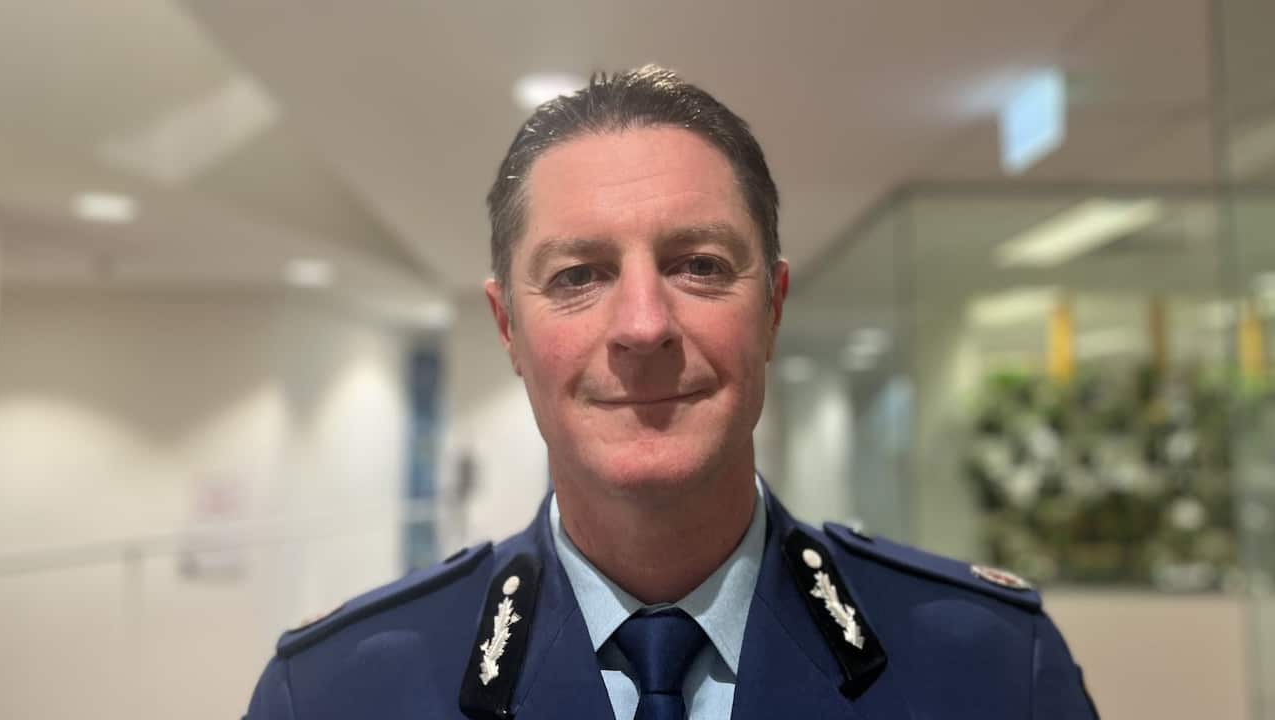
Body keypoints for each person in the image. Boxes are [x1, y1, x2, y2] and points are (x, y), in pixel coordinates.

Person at [244, 65, 1098, 720]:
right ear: (509, 329)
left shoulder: (992, 669)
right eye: (579, 275)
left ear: (772, 308)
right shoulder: (331, 693)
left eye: (699, 265)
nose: (644, 325)